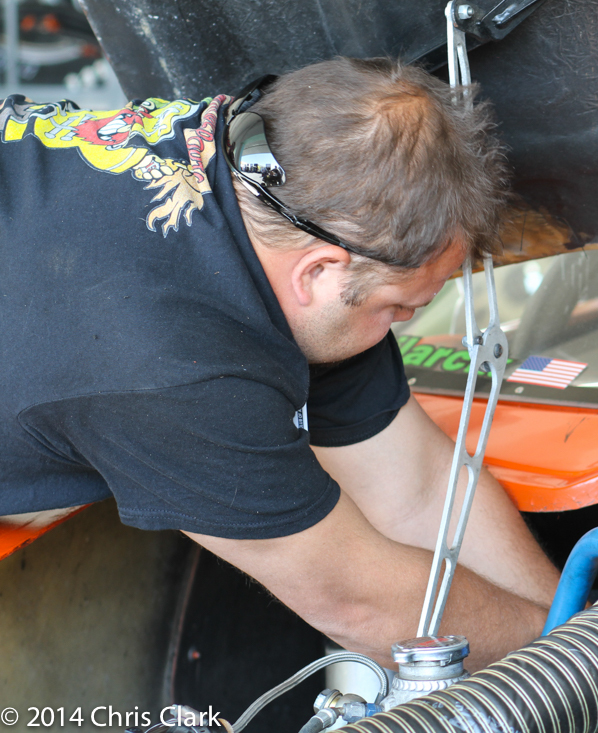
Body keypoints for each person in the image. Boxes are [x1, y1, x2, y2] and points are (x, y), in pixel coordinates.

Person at [0, 56, 560, 670]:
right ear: (317, 272)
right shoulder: (178, 364)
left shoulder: (274, 183)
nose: (399, 325)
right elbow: (359, 603)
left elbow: (420, 488)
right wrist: (584, 664)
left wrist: (570, 627)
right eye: (398, 308)